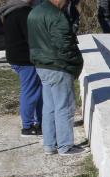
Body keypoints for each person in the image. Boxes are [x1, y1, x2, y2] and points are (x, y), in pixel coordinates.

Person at [28, 0, 86, 156]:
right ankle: (65, 146)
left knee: (49, 107)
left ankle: (49, 145)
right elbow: (66, 45)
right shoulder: (57, 16)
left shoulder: (34, 12)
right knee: (64, 107)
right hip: (59, 67)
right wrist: (77, 63)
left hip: (41, 65)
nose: (67, 4)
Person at [0, 0, 41, 137]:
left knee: (36, 91)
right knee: (30, 92)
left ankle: (40, 122)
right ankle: (27, 126)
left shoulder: (11, 12)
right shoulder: (24, 13)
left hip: (17, 57)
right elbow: (32, 38)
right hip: (25, 59)